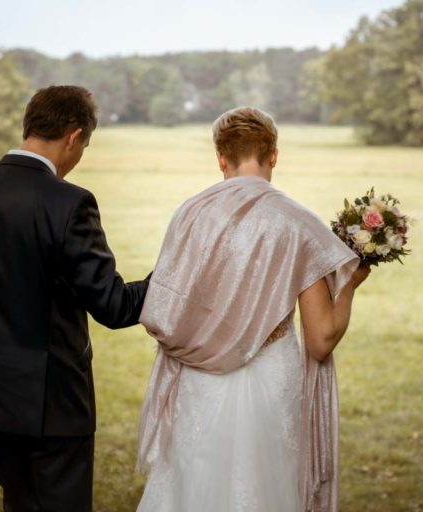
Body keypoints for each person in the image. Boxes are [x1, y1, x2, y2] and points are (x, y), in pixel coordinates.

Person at [0, 85, 150, 512]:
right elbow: (115, 306)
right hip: (53, 404)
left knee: (20, 502)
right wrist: (172, 276)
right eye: (84, 145)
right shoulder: (70, 203)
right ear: (73, 136)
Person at [135, 107, 370, 511]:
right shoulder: (298, 224)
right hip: (270, 380)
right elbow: (320, 340)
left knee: (194, 484)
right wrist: (349, 286)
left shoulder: (189, 216)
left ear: (221, 159)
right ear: (274, 155)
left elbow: (166, 309)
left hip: (199, 382)